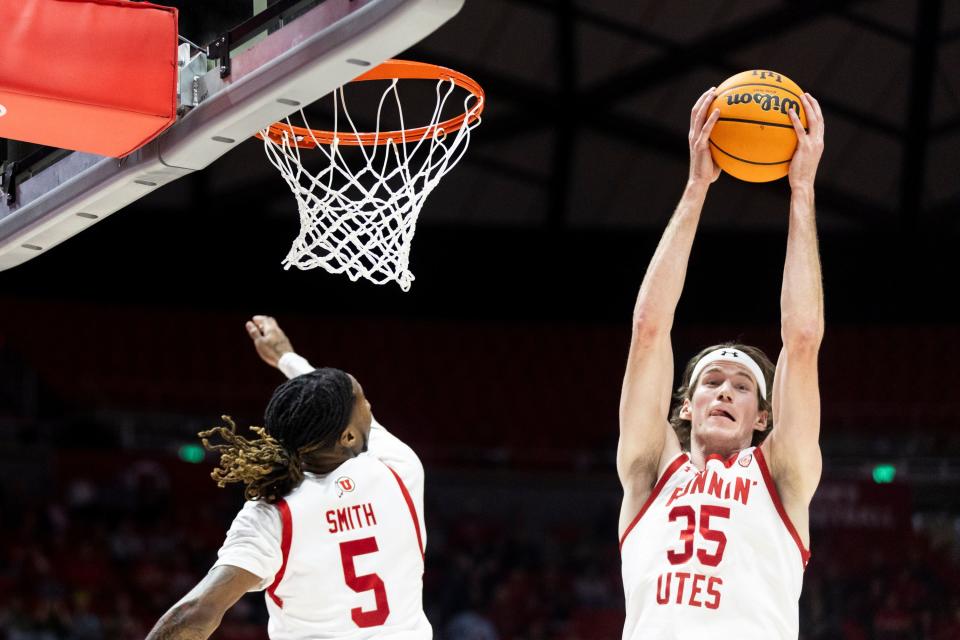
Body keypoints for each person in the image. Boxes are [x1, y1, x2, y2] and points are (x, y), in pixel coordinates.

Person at [617, 88, 825, 639]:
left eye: (741, 386)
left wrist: (801, 191)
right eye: (711, 381)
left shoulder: (780, 476)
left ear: (762, 417)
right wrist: (695, 187)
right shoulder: (650, 468)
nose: (725, 391)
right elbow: (649, 330)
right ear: (686, 405)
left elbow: (802, 341)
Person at [147, 316, 429, 639]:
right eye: (364, 402)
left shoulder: (274, 512)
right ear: (348, 438)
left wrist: (285, 358)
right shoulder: (398, 469)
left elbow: (196, 614)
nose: (370, 406)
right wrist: (286, 357)